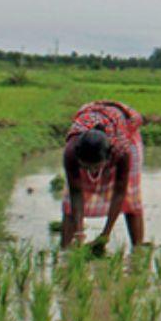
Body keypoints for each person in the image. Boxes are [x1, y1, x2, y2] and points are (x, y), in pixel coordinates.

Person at [61, 100, 146, 249]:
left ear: (108, 157)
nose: (91, 172)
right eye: (85, 167)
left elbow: (120, 192)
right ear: (78, 156)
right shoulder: (71, 151)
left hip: (126, 135)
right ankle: (65, 249)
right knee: (69, 204)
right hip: (96, 148)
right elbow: (76, 193)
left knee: (131, 200)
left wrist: (105, 235)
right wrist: (80, 233)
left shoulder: (121, 150)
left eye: (96, 167)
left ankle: (138, 249)